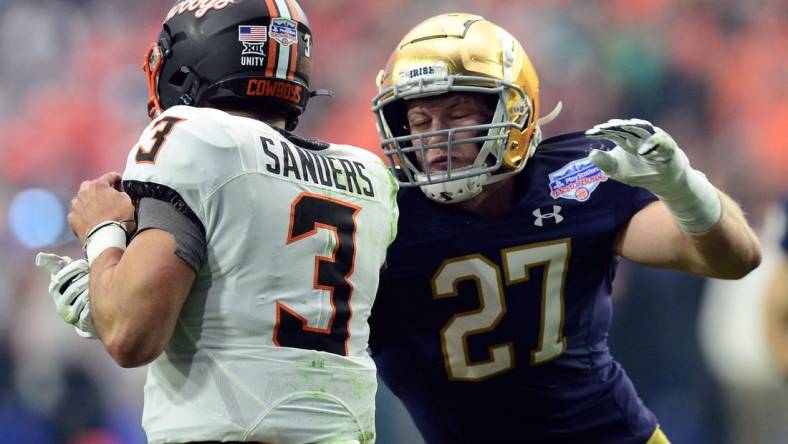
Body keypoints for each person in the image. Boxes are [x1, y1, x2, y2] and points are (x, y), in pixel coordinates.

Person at [369, 12, 761, 444]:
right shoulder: (382, 216)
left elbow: (736, 258)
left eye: (458, 114)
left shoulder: (580, 174)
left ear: (513, 111)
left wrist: (685, 188)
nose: (435, 138)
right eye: (420, 122)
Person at [35, 1, 398, 443]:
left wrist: (102, 235)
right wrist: (113, 285)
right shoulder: (369, 176)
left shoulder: (194, 138)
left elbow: (130, 336)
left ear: (189, 64)